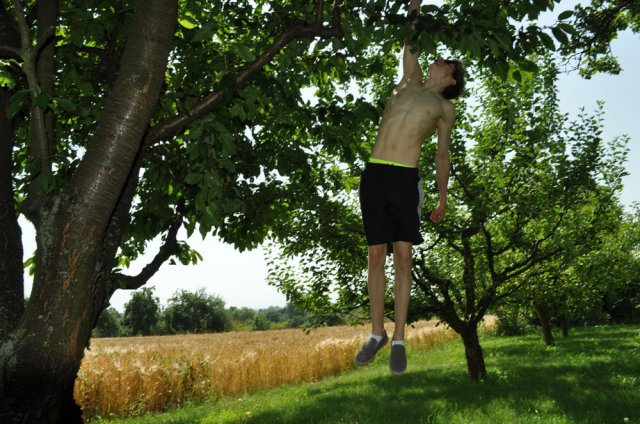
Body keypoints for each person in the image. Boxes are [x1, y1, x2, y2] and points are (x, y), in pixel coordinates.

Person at [354, 0, 465, 375]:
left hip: (404, 179)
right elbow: (410, 41)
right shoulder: (409, 81)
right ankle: (377, 333)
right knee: (375, 255)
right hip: (374, 175)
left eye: (447, 63)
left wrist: (443, 197)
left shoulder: (444, 108)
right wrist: (414, 6)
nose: (439, 60)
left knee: (402, 256)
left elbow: (442, 156)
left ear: (451, 80)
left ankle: (399, 338)